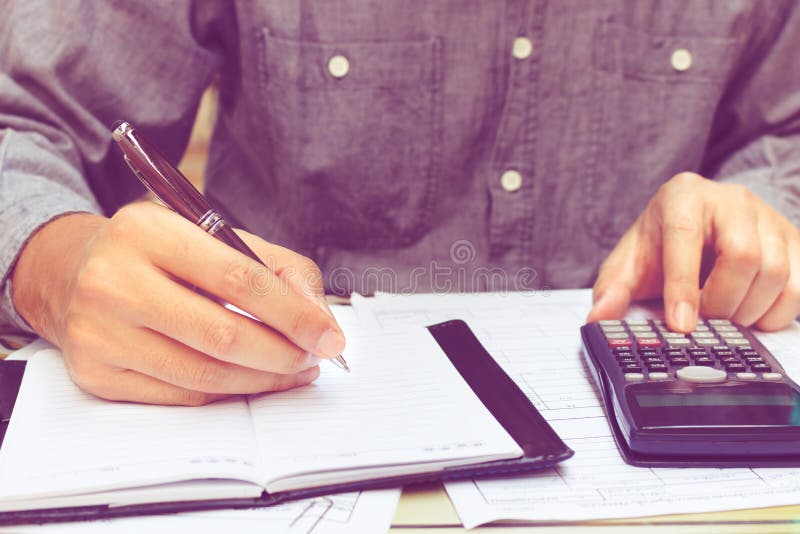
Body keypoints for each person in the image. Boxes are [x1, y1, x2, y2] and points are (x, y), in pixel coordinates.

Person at [1, 1, 798, 405]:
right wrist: (56, 265)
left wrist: (759, 216)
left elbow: (786, 139)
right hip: (276, 429)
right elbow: (23, 125)